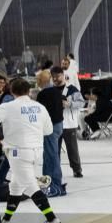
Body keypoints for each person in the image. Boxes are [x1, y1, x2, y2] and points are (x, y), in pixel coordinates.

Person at [0, 78, 62, 223]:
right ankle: (5, 221)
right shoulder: (39, 107)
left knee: (30, 187)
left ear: (12, 91)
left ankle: (52, 219)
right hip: (37, 152)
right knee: (16, 186)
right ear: (29, 91)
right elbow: (48, 130)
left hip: (19, 153)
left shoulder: (8, 107)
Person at [36, 66, 66, 195]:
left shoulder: (43, 94)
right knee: (51, 155)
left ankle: (54, 184)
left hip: (50, 128)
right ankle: (49, 182)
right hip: (59, 125)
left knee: (50, 156)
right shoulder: (57, 91)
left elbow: (41, 113)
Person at [56, 66, 84, 180]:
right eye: (53, 77)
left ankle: (77, 169)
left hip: (69, 123)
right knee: (54, 150)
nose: (56, 79)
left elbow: (81, 103)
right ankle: (55, 171)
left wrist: (70, 104)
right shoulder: (50, 90)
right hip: (54, 124)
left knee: (72, 149)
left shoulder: (72, 89)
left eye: (58, 76)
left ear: (63, 76)